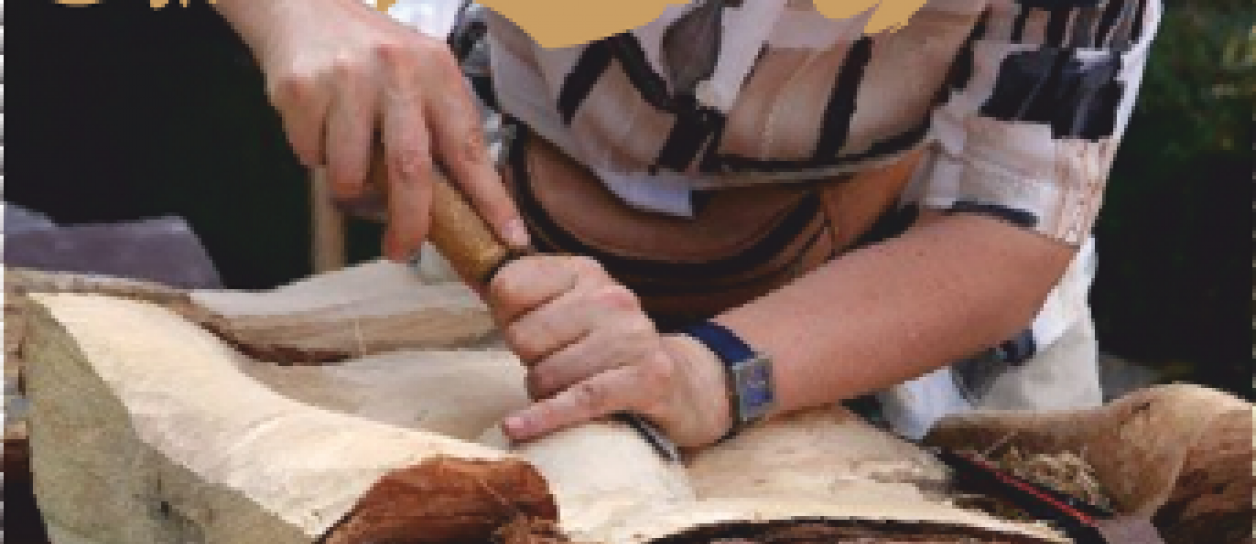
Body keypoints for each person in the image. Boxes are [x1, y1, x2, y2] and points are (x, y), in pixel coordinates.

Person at [214, 0, 1160, 449]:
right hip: (517, 263)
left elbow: (1006, 228)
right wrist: (299, 14)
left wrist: (711, 372)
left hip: (923, 310)